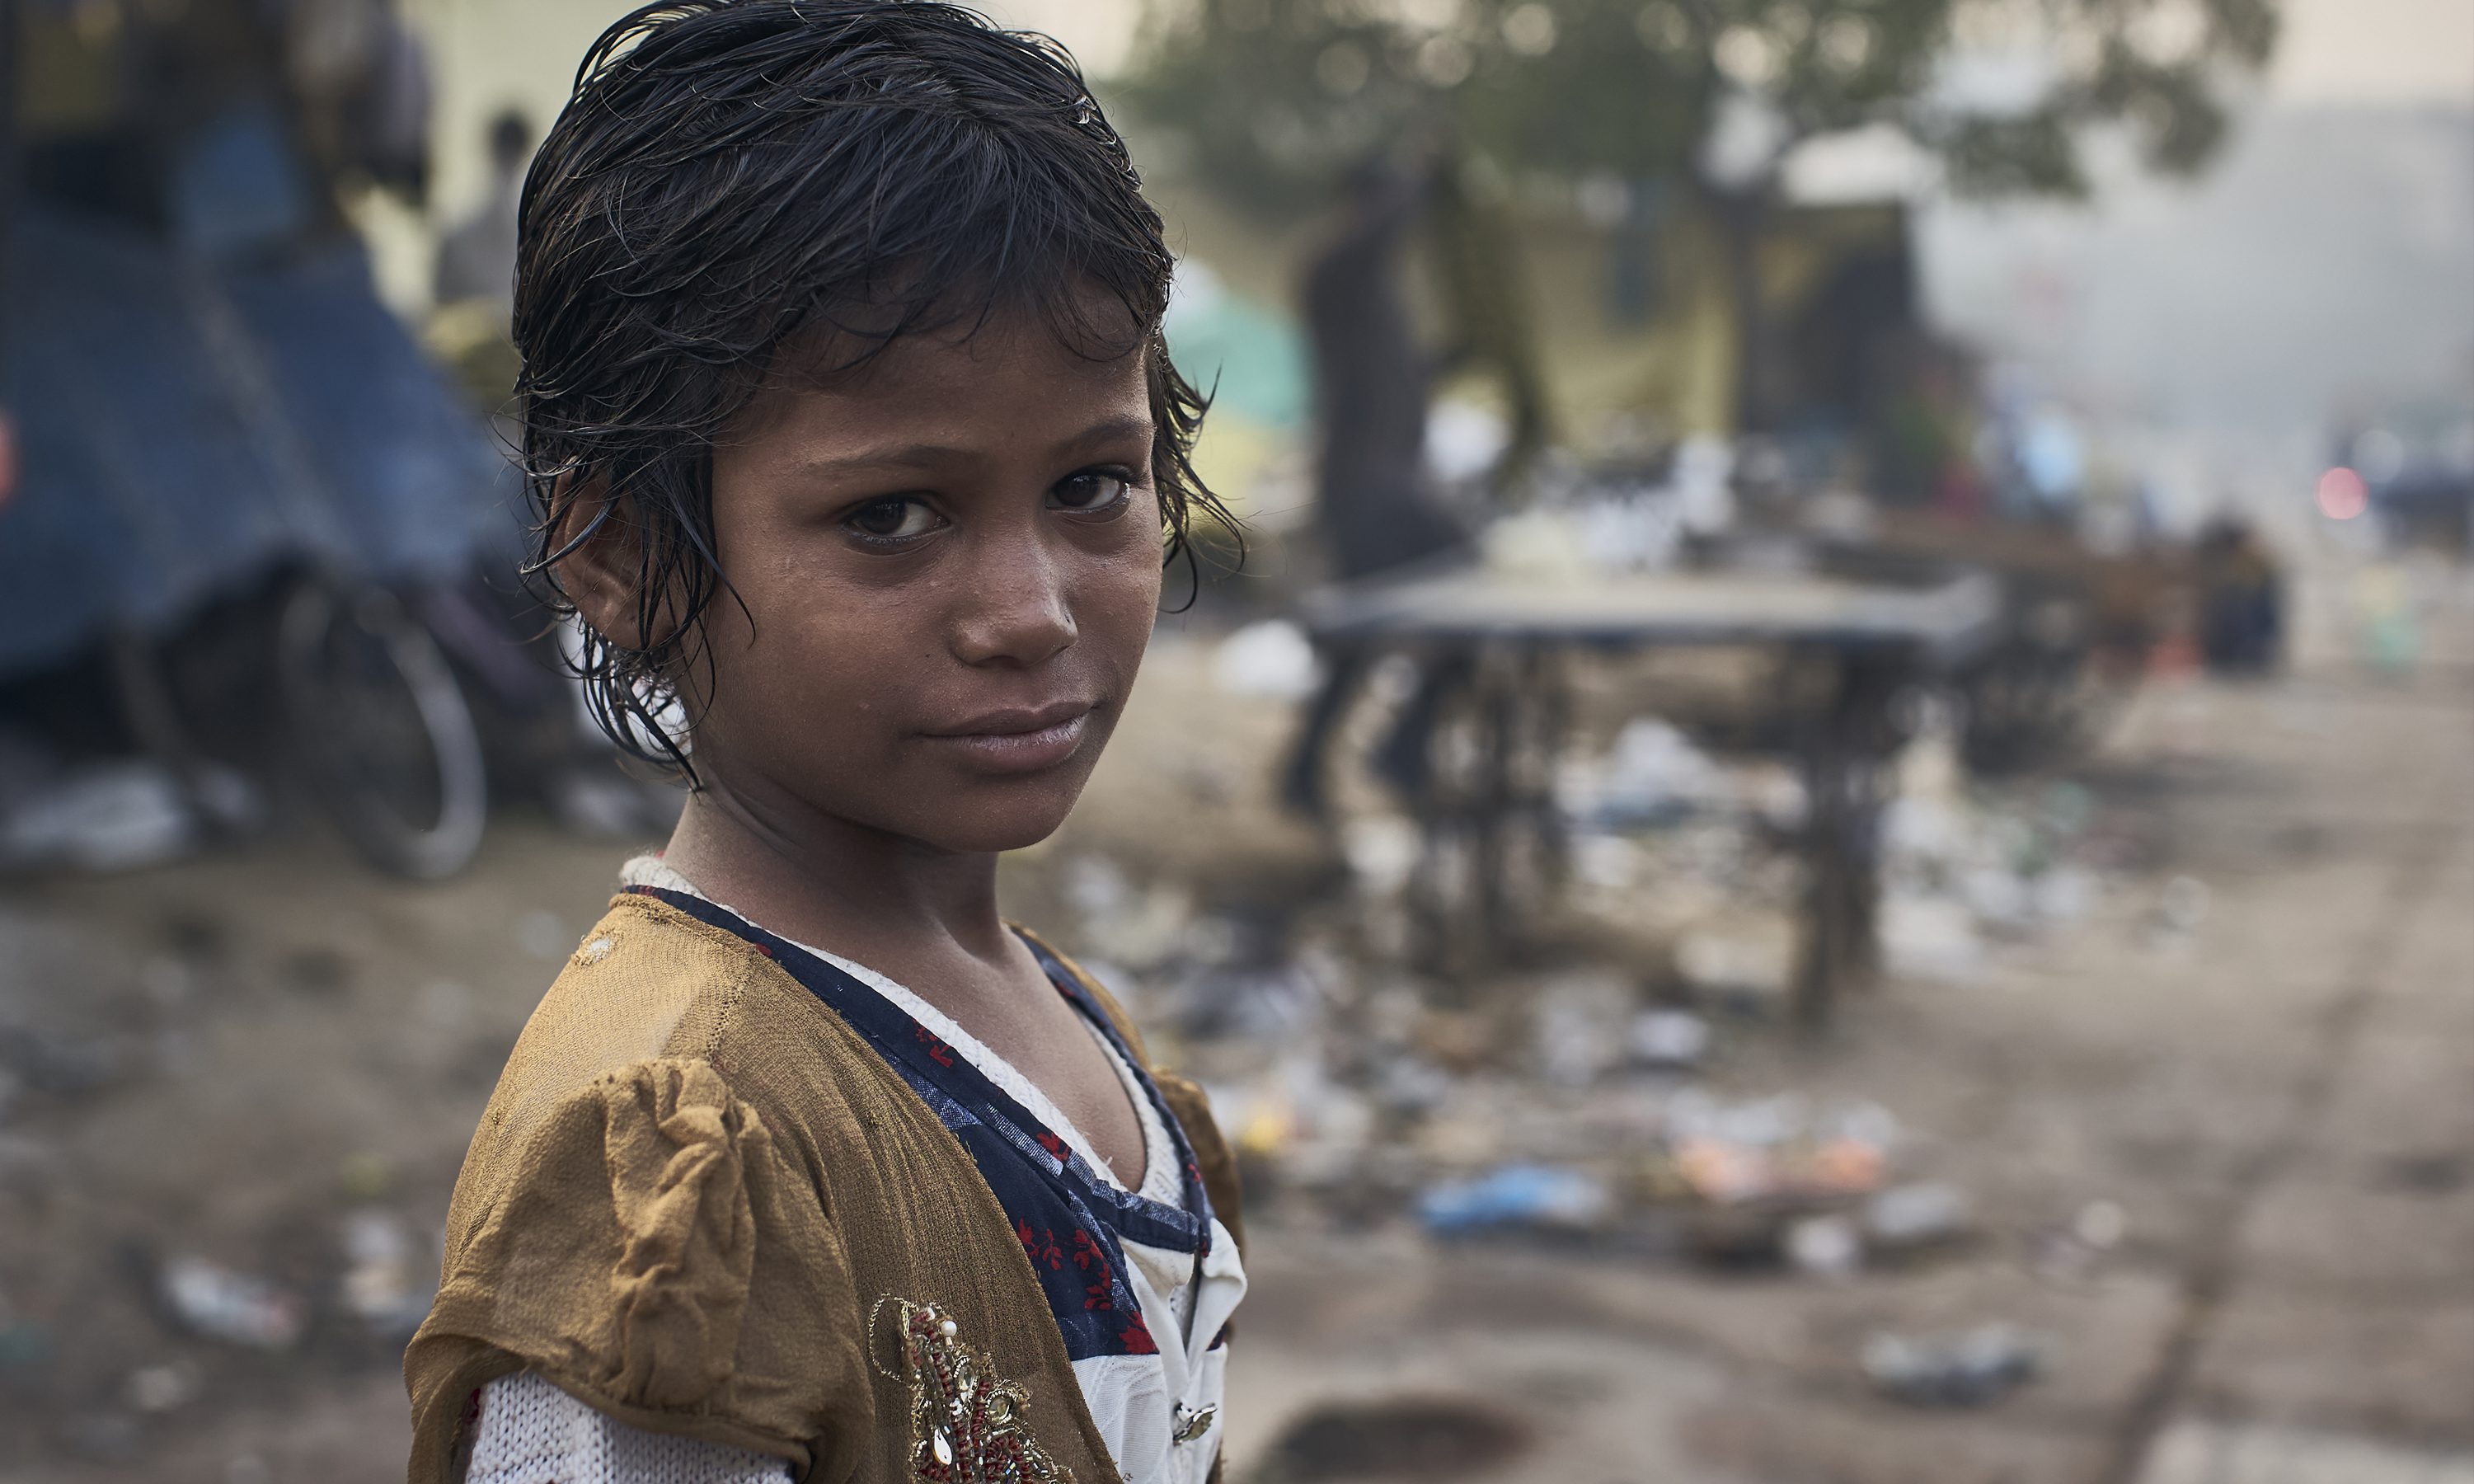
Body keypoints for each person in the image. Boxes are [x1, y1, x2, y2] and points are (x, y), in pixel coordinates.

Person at [401, 7, 1246, 1483]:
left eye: (1094, 484)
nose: (1030, 613)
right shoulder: (675, 1166)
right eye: (890, 516)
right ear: (610, 548)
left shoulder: (1061, 1023)